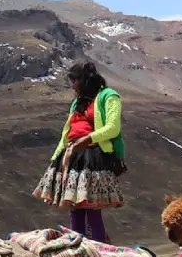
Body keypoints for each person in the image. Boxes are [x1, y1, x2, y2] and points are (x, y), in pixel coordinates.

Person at [32, 61, 126, 243]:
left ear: (86, 79)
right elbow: (66, 133)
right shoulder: (77, 102)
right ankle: (78, 248)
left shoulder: (108, 96)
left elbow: (113, 128)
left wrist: (87, 140)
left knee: (91, 207)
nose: (73, 85)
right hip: (73, 155)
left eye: (75, 80)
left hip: (94, 155)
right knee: (75, 207)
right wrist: (56, 158)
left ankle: (98, 248)